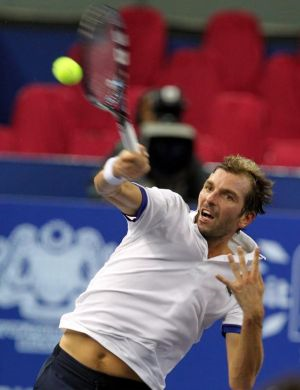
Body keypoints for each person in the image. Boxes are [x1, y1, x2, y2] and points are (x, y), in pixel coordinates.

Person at [33, 148, 273, 390]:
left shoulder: (244, 277)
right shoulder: (167, 211)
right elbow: (107, 187)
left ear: (246, 218)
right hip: (66, 374)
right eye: (209, 187)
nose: (210, 198)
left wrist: (254, 317)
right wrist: (115, 171)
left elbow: (241, 383)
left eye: (228, 196)